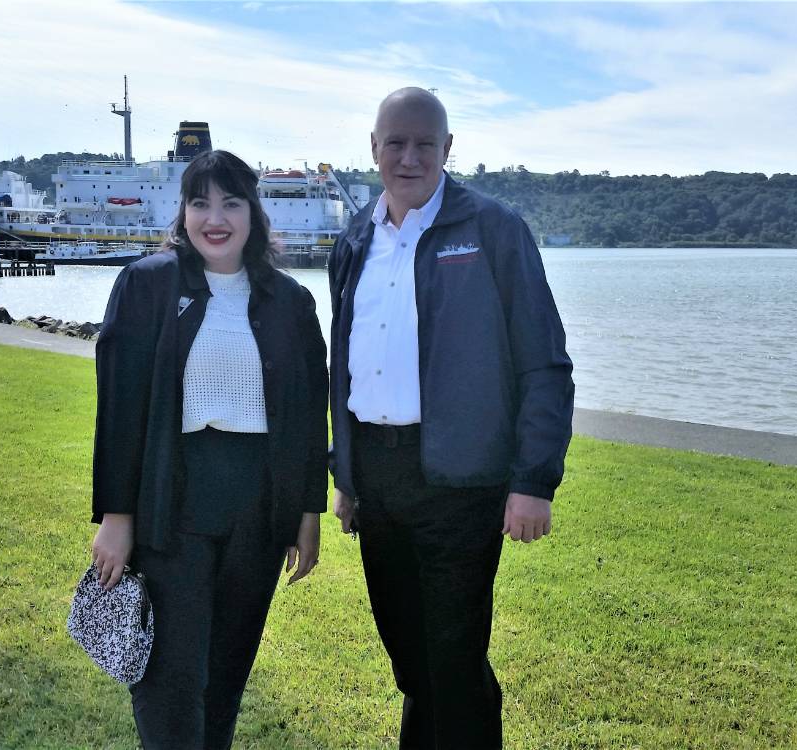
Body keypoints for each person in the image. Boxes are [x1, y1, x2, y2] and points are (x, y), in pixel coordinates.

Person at [328, 88, 574, 749]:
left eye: (424, 144)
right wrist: (346, 477)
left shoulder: (493, 231)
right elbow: (348, 362)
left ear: (448, 149)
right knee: (413, 664)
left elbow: (544, 363)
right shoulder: (354, 240)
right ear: (373, 148)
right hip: (378, 482)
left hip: (462, 484)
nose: (409, 156)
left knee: (455, 660)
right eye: (395, 142)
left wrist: (533, 482)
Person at [90, 149, 329, 749]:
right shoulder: (147, 285)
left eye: (230, 202)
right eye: (200, 203)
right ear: (183, 211)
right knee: (170, 677)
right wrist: (117, 518)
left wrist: (308, 513)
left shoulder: (290, 301)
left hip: (260, 507)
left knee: (226, 673)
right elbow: (120, 408)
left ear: (254, 212)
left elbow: (306, 416)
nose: (214, 218)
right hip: (174, 499)